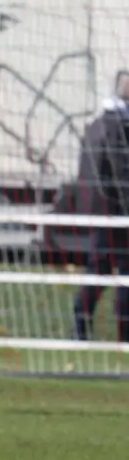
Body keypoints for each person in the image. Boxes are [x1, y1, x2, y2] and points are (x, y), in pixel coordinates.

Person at [73, 70, 129, 343]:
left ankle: (80, 325)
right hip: (115, 213)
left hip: (98, 211)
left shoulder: (97, 124)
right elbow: (121, 173)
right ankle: (122, 334)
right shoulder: (118, 126)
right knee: (119, 274)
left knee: (100, 270)